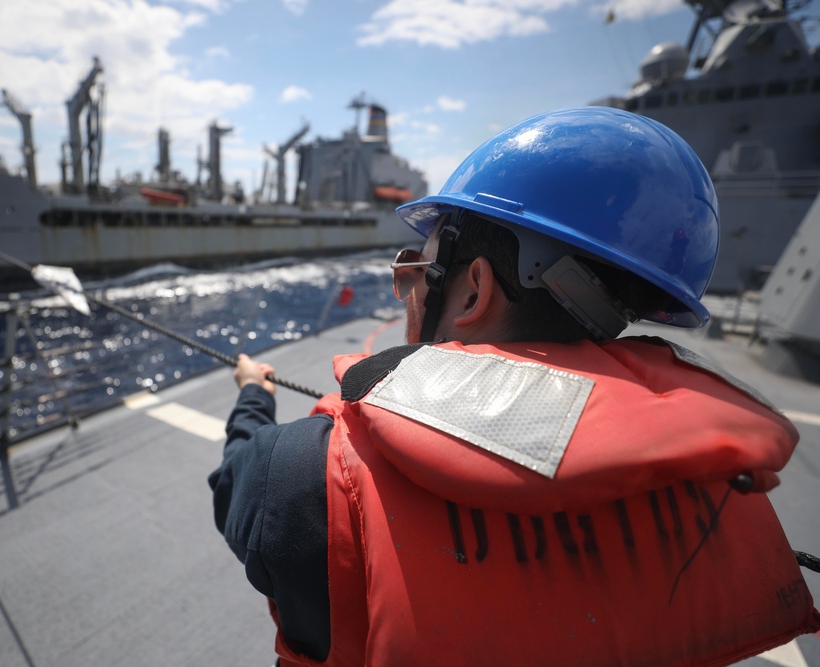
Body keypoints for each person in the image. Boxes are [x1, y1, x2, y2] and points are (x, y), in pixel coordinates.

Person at [208, 107, 819, 666]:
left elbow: (238, 477)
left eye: (413, 271)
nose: (407, 294)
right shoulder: (707, 485)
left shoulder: (298, 475)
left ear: (473, 289)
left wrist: (252, 393)